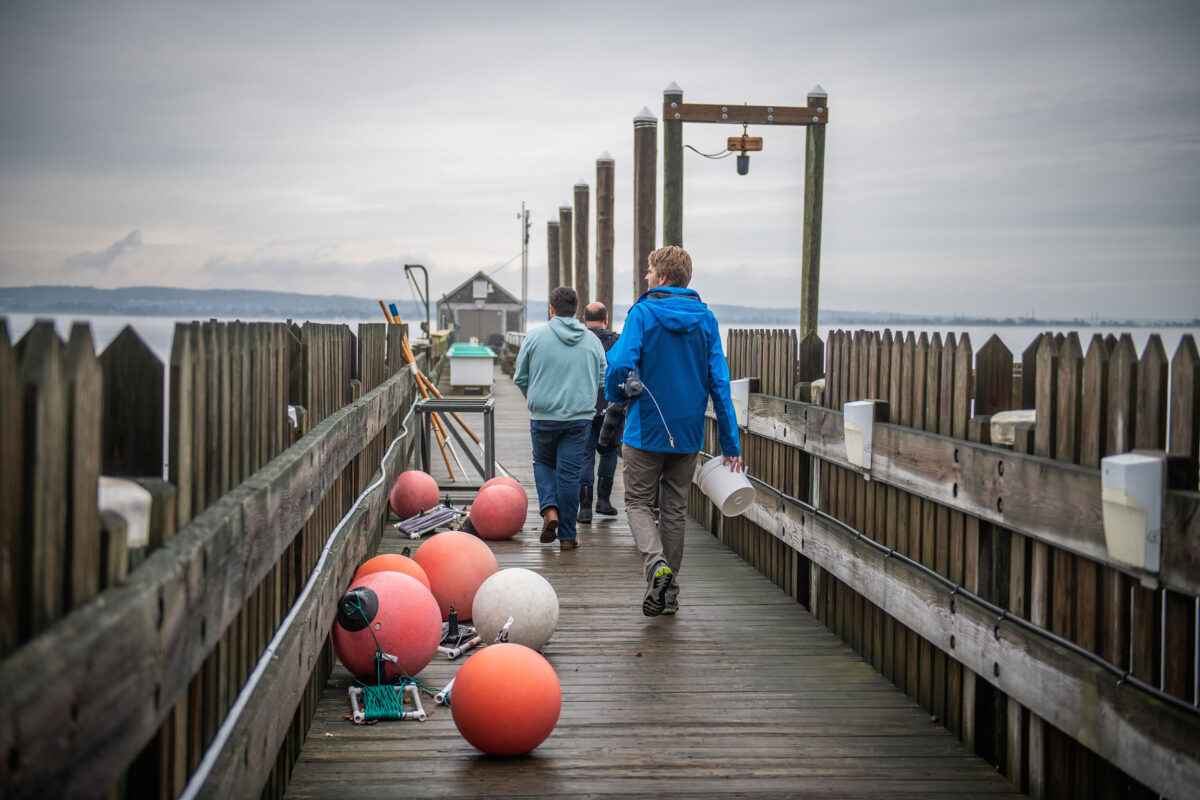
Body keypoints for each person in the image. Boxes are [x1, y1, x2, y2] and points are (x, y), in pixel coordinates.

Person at [604, 246, 742, 615]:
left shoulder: (643, 313)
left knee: (637, 503)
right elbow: (720, 383)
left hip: (645, 428)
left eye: (649, 271)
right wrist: (730, 442)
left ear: (662, 277)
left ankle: (655, 566)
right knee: (675, 509)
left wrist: (615, 390)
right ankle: (670, 595)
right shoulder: (707, 320)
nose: (646, 277)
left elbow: (620, 363)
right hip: (687, 434)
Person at [514, 286, 606, 551]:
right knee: (569, 475)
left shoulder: (535, 337)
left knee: (543, 461)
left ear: (551, 309)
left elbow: (520, 377)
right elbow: (602, 379)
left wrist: (535, 399)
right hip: (579, 419)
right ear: (576, 309)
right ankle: (567, 536)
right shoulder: (592, 341)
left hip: (543, 416)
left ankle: (550, 510)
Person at [578, 301, 621, 524]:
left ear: (584, 319)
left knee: (586, 453)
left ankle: (584, 507)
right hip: (610, 406)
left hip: (583, 405)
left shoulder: (579, 340)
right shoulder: (617, 341)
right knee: (609, 451)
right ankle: (603, 501)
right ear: (606, 319)